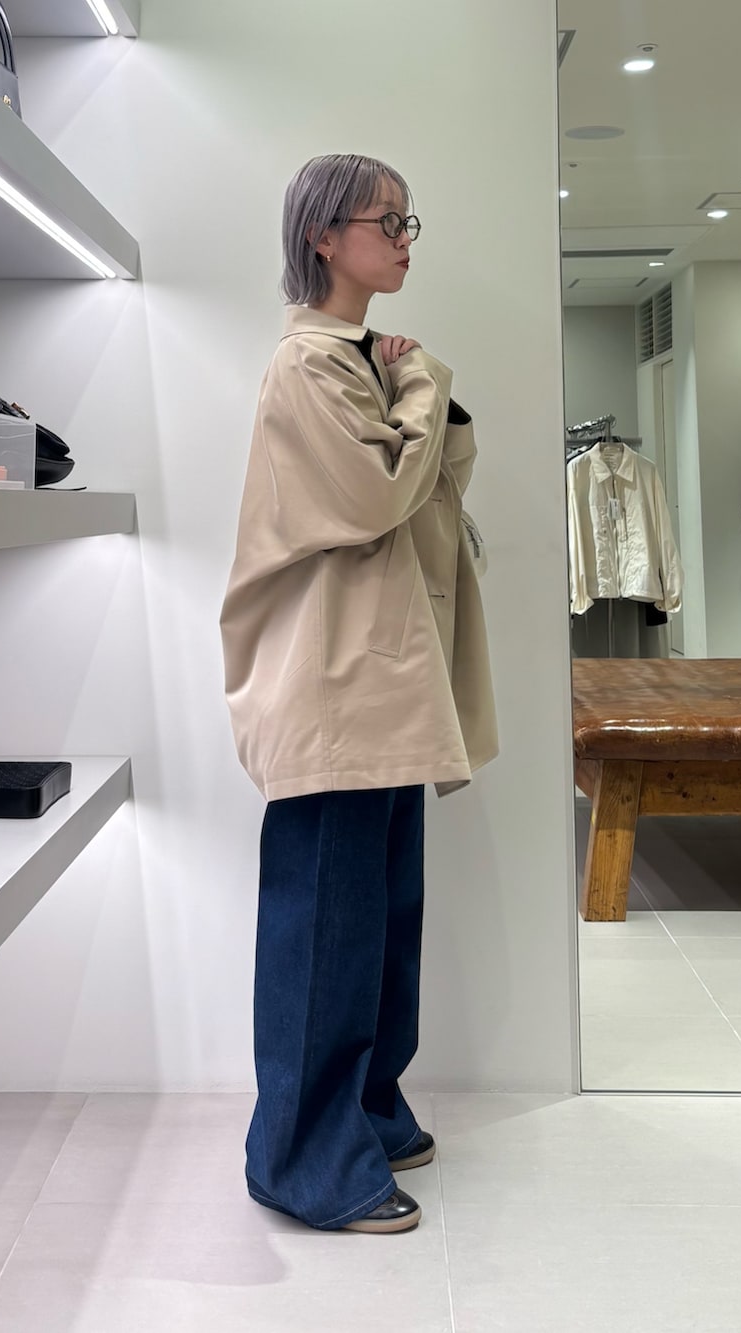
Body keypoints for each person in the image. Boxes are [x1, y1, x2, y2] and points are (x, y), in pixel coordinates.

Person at [220, 153, 498, 1233]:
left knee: (379, 924)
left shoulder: (360, 361)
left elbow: (436, 487)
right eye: (388, 221)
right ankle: (297, 1155)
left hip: (383, 679)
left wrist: (415, 391)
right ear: (325, 235)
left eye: (408, 221)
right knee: (323, 932)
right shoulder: (311, 367)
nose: (405, 240)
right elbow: (382, 493)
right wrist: (420, 383)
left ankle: (366, 1110)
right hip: (335, 687)